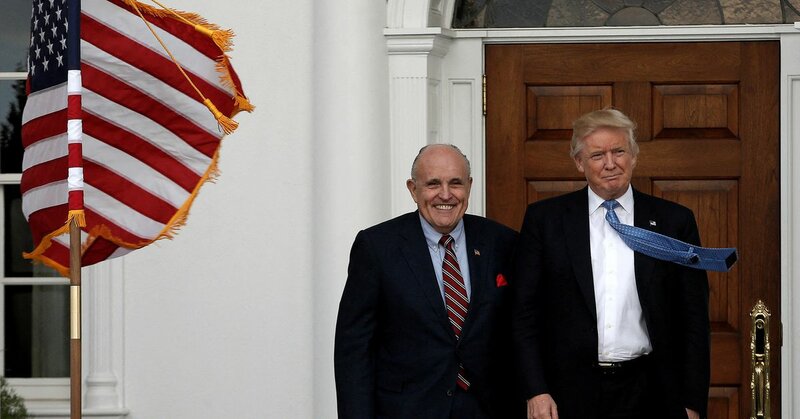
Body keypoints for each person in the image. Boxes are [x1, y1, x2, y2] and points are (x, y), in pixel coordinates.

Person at [512, 109, 710, 419]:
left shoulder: (674, 222)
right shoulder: (545, 221)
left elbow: (694, 316)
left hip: (652, 393)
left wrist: (692, 401)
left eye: (619, 151)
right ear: (579, 162)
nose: (610, 163)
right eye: (597, 155)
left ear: (634, 156)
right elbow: (524, 313)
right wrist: (535, 390)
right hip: (568, 394)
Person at [334, 144, 522, 418]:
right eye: (433, 184)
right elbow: (354, 348)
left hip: (488, 408)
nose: (445, 194)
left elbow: (523, 329)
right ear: (413, 189)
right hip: (407, 409)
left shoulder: (503, 242)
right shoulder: (377, 247)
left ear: (469, 186)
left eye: (455, 183)